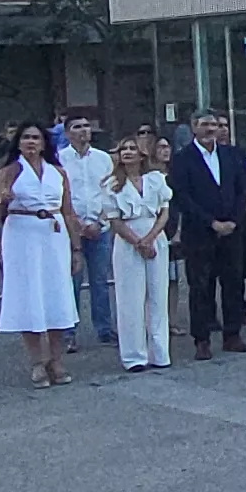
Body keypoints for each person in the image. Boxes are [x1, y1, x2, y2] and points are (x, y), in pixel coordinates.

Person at [0, 124, 77, 388]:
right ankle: (38, 361)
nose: (31, 142)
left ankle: (56, 360)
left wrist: (76, 247)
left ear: (44, 143)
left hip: (53, 234)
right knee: (29, 295)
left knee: (57, 295)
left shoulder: (58, 172)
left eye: (36, 137)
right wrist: (1, 200)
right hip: (21, 235)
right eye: (25, 137)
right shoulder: (9, 172)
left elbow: (68, 211)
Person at [172, 113, 246, 355]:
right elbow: (183, 197)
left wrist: (233, 221)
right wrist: (211, 223)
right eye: (204, 125)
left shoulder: (231, 155)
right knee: (200, 287)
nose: (211, 129)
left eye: (214, 125)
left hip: (232, 230)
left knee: (233, 283)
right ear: (193, 128)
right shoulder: (182, 158)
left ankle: (233, 335)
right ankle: (202, 340)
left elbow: (243, 190)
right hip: (199, 232)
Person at [89, 136, 174, 370]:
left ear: (142, 154)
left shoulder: (156, 179)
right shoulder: (111, 184)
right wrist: (138, 242)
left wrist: (150, 239)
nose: (127, 152)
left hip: (155, 236)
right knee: (130, 299)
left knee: (157, 296)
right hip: (128, 241)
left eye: (132, 148)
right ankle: (134, 356)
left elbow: (164, 213)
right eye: (123, 149)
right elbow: (115, 221)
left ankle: (159, 353)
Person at [59, 110, 120, 351]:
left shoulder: (103, 158)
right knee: (71, 281)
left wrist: (99, 220)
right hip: (71, 229)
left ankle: (104, 329)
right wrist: (77, 224)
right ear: (67, 133)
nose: (83, 131)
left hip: (100, 226)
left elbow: (110, 191)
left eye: (86, 126)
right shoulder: (60, 159)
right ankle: (67, 332)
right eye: (77, 127)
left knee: (100, 281)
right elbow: (61, 195)